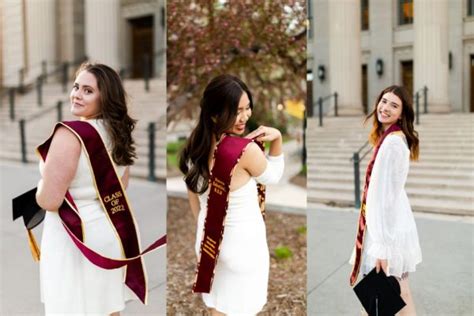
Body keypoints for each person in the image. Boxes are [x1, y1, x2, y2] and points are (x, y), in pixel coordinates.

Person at [35, 62, 139, 315]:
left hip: (75, 240)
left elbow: (49, 201)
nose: (77, 94)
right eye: (76, 87)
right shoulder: (119, 134)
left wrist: (41, 185)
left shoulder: (70, 135)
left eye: (88, 90)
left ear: (105, 98)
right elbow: (121, 187)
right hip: (108, 235)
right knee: (106, 309)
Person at [179, 74, 284, 315]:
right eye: (237, 111)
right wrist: (277, 138)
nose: (245, 116)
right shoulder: (244, 151)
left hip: (209, 243)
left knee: (218, 308)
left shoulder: (195, 146)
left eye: (247, 108)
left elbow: (193, 194)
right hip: (244, 248)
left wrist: (202, 225)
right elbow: (273, 176)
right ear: (215, 113)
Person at [350, 85, 422, 315]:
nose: (386, 108)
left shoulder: (392, 144)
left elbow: (385, 198)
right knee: (399, 292)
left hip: (389, 231)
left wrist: (382, 246)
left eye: (394, 105)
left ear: (402, 113)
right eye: (384, 101)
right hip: (393, 226)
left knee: (382, 298)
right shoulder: (390, 138)